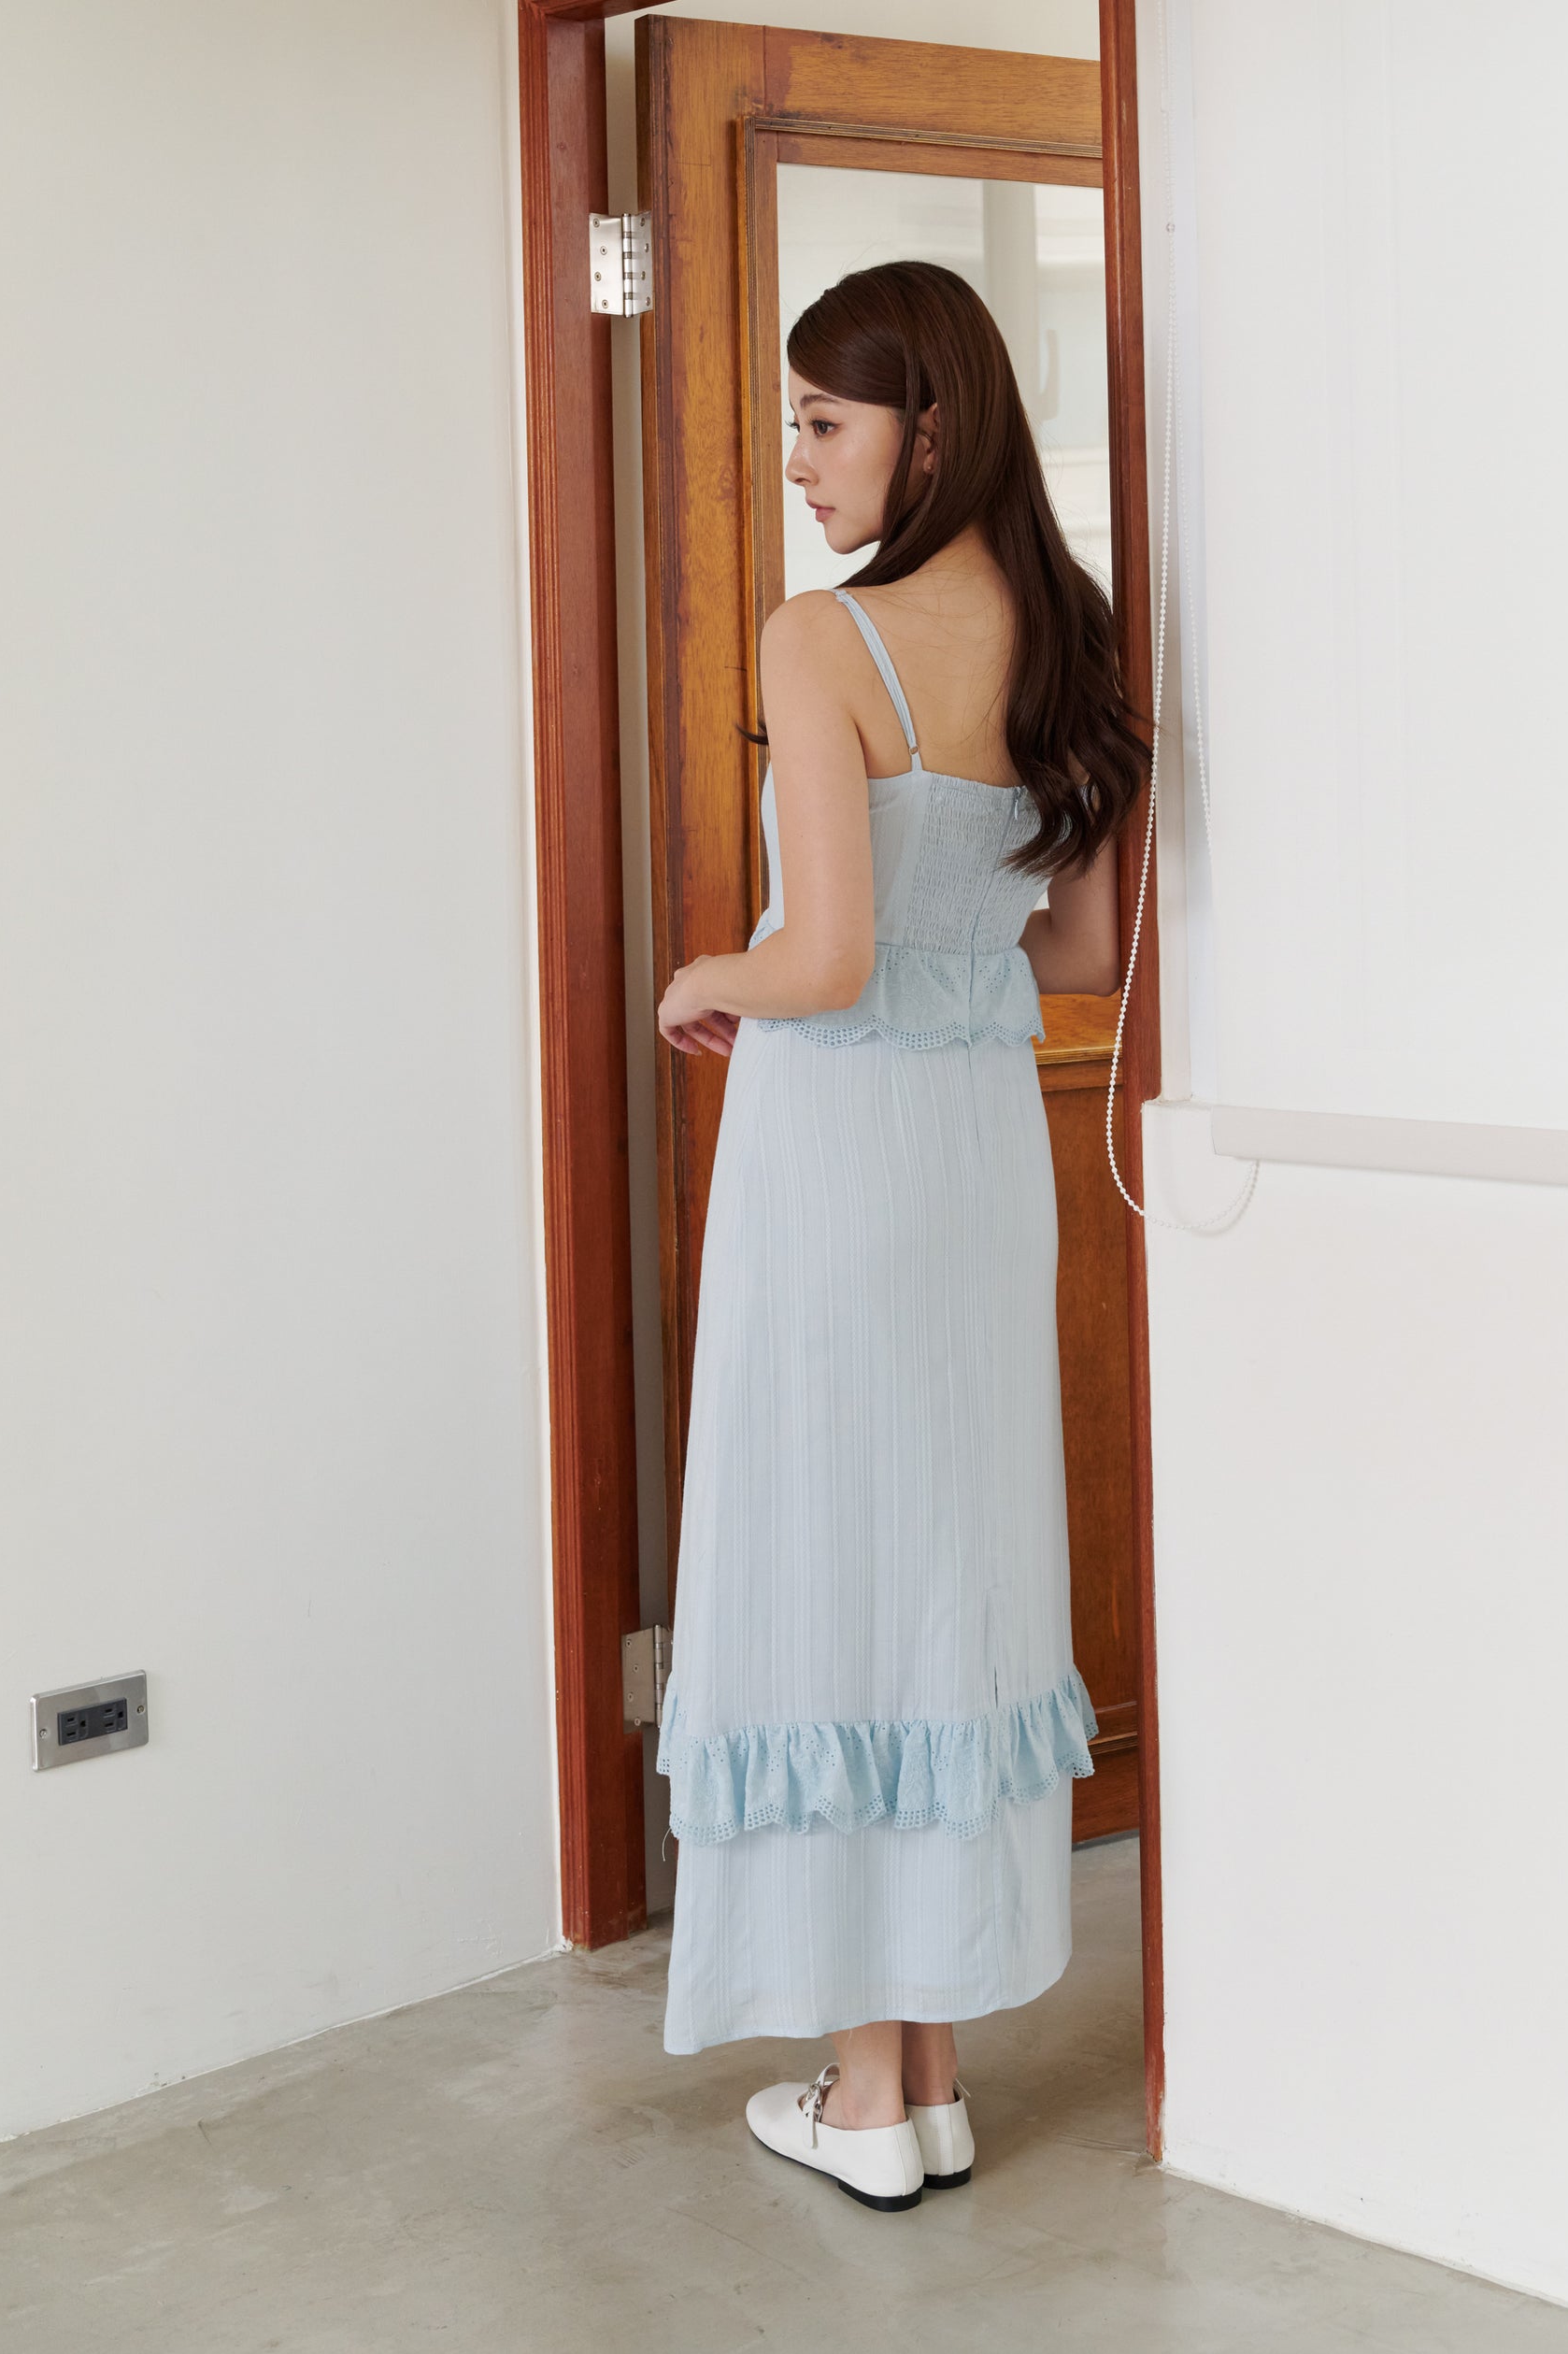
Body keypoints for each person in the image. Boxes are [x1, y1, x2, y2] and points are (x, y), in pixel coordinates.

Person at [651, 258, 1147, 2212]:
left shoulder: (821, 638)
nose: (796, 458)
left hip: (836, 1152)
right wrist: (949, 949)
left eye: (822, 420)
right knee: (941, 1562)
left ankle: (866, 2098)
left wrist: (707, 971)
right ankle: (922, 2073)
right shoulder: (1070, 633)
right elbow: (1086, 949)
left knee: (823, 1562)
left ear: (927, 431)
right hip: (971, 1156)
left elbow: (825, 959)